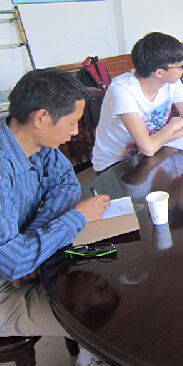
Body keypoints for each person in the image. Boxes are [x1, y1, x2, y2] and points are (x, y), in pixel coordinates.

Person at [0, 68, 111, 365]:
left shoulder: (37, 143)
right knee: (108, 317)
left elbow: (66, 184)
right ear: (41, 117)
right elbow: (11, 264)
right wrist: (75, 218)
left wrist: (31, 242)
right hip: (3, 290)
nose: (75, 132)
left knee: (106, 280)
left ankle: (88, 352)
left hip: (15, 261)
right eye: (72, 122)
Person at [92, 32, 183, 172]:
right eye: (179, 66)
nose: (182, 69)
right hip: (116, 164)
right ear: (159, 73)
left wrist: (158, 141)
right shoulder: (122, 90)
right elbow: (148, 149)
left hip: (151, 153)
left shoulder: (172, 83)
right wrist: (171, 127)